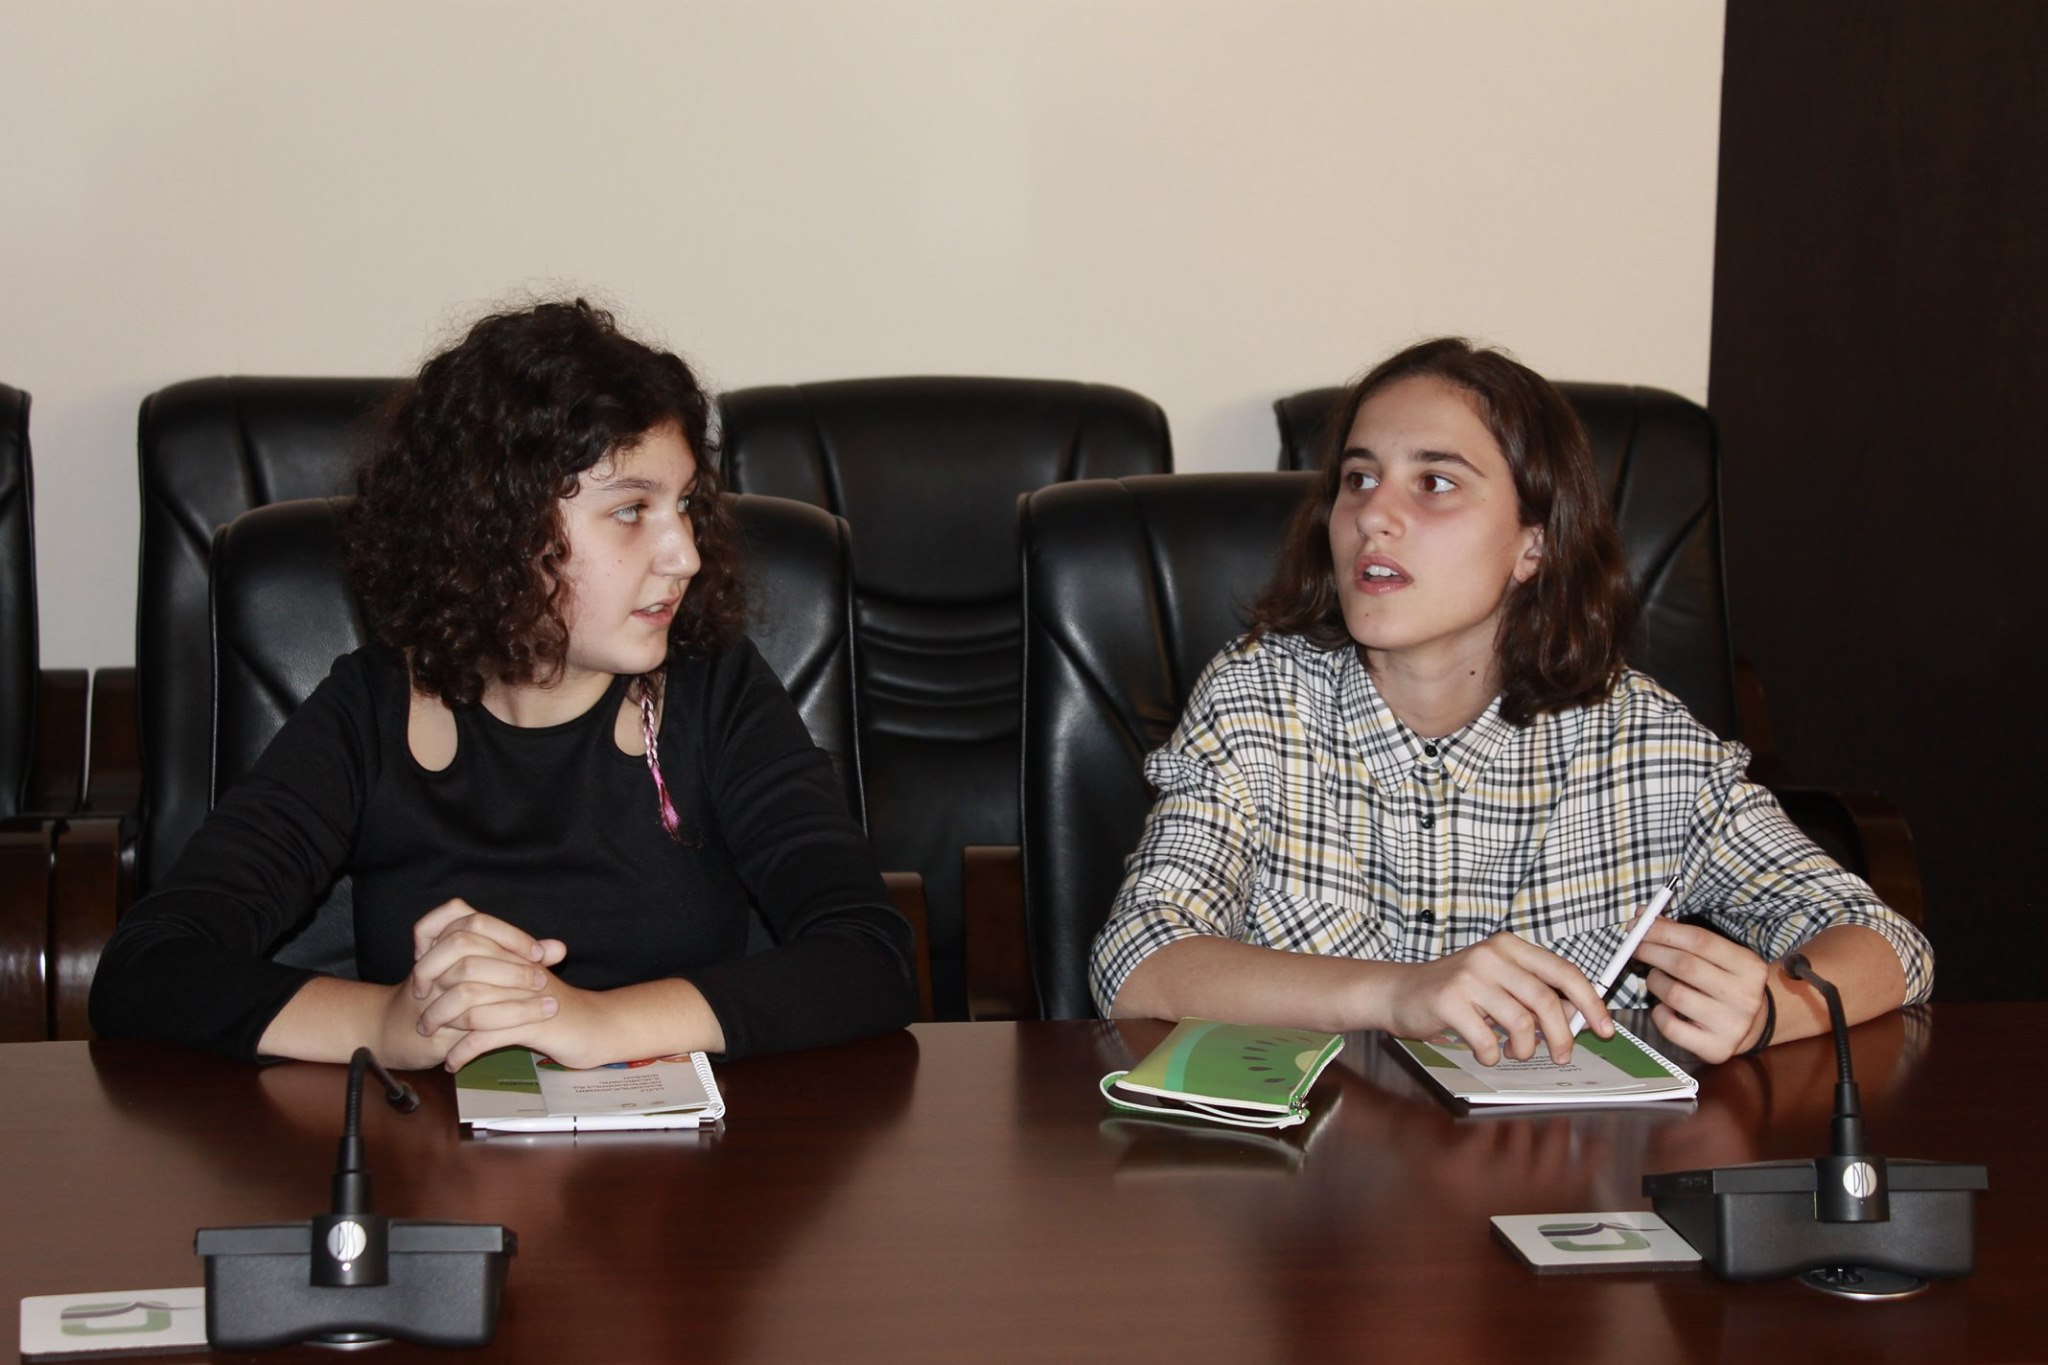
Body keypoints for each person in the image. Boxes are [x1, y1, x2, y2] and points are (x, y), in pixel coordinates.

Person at [91, 300, 916, 1069]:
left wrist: (593, 1022)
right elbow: (147, 967)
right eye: (632, 510)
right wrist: (389, 1024)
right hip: (431, 1157)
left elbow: (869, 957)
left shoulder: (716, 693)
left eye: (687, 506)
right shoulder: (371, 711)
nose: (686, 555)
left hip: (691, 1163)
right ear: (498, 528)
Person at [1090, 338, 1931, 1066]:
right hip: (1315, 1180)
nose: (1374, 515)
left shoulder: (1636, 739)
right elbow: (1137, 957)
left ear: (1533, 544)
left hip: (1556, 1178)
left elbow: (1887, 940)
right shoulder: (1260, 698)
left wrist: (1774, 1010)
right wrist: (1398, 994)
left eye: (1435, 483)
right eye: (1358, 478)